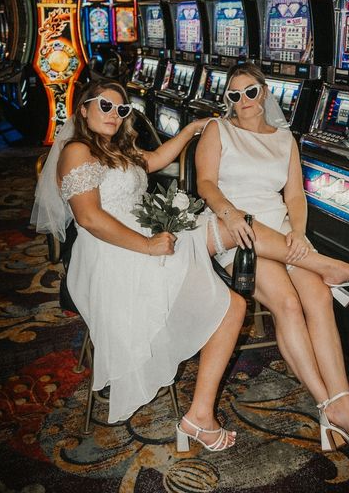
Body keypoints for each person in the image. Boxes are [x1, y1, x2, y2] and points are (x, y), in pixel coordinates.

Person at [31, 80, 247, 452]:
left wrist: (191, 131)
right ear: (83, 109)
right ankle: (200, 417)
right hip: (112, 254)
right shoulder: (77, 151)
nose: (114, 114)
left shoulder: (112, 148)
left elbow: (155, 160)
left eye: (121, 109)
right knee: (234, 306)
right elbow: (90, 219)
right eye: (105, 106)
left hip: (140, 239)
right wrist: (148, 246)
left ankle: (294, 268)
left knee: (231, 227)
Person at [196, 62, 349, 452]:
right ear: (227, 100)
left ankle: (344, 400)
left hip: (282, 232)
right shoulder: (219, 130)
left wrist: (298, 233)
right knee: (289, 304)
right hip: (241, 232)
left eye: (250, 91)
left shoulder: (284, 139)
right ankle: (328, 405)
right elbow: (206, 183)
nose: (243, 100)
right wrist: (228, 212)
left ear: (264, 92)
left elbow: (295, 197)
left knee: (318, 299)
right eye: (234, 94)